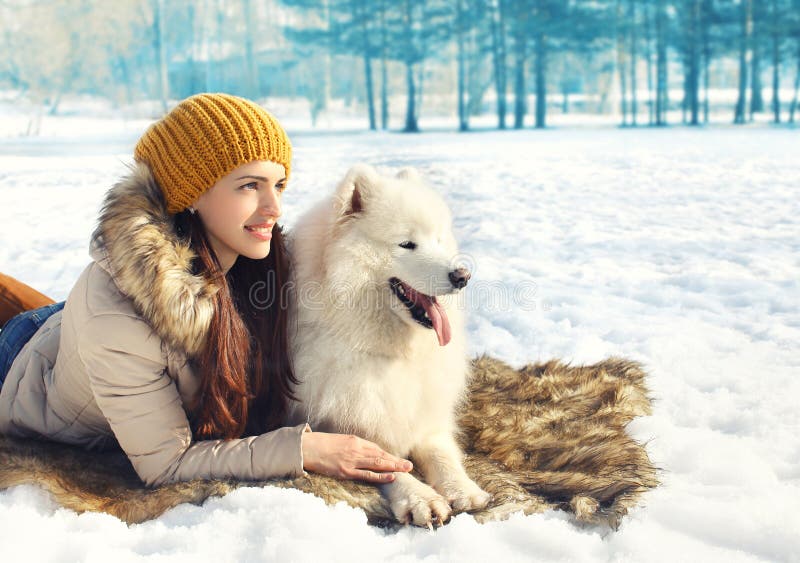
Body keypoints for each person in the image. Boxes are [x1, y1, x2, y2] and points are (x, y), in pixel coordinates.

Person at [0, 93, 412, 487]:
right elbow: (166, 462)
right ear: (191, 194)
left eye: (279, 185)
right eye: (250, 185)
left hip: (69, 330)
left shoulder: (258, 259)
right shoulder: (116, 320)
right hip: (23, 365)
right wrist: (301, 448)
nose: (275, 207)